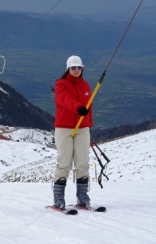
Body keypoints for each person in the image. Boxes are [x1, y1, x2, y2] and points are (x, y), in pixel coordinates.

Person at [52, 55, 93, 210]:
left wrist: (89, 125)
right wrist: (77, 107)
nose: (76, 70)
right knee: (64, 163)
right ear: (68, 68)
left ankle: (83, 198)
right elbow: (64, 99)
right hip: (64, 128)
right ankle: (58, 199)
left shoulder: (86, 86)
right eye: (73, 67)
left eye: (79, 67)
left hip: (83, 129)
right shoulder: (61, 84)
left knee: (83, 163)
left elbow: (89, 108)